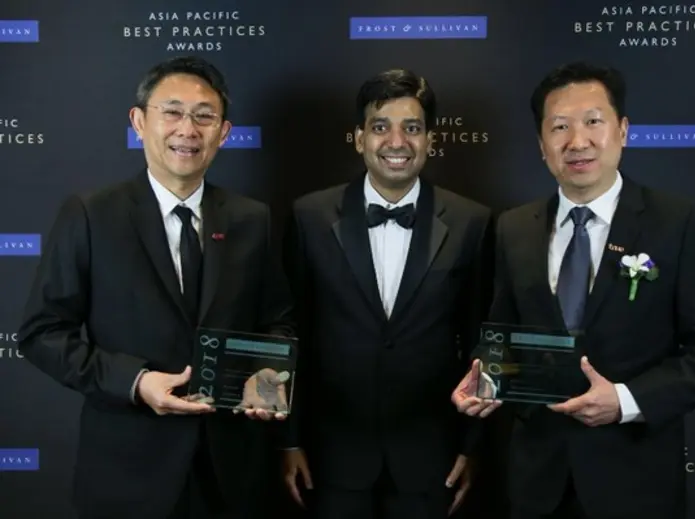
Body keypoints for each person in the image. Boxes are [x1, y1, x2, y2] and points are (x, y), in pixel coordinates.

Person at [451, 62, 695, 519]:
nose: (577, 141)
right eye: (559, 127)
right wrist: (484, 377)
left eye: (593, 121)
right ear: (542, 145)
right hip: (537, 480)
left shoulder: (678, 223)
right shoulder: (514, 227)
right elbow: (503, 330)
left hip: (635, 478)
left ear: (622, 130)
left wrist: (626, 400)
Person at [17, 56, 295, 519]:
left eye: (204, 116)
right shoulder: (91, 214)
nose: (188, 129)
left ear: (223, 132)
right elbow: (42, 333)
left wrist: (266, 378)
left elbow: (277, 321)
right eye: (172, 112)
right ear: (139, 121)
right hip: (127, 473)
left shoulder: (252, 219)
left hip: (231, 474)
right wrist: (136, 381)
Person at [280, 69, 493, 519]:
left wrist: (471, 446)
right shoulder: (309, 216)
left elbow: (482, 343)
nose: (397, 141)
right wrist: (290, 440)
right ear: (359, 138)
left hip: (432, 456)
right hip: (331, 454)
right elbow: (291, 334)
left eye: (412, 128)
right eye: (380, 127)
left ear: (430, 140)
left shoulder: (472, 222)